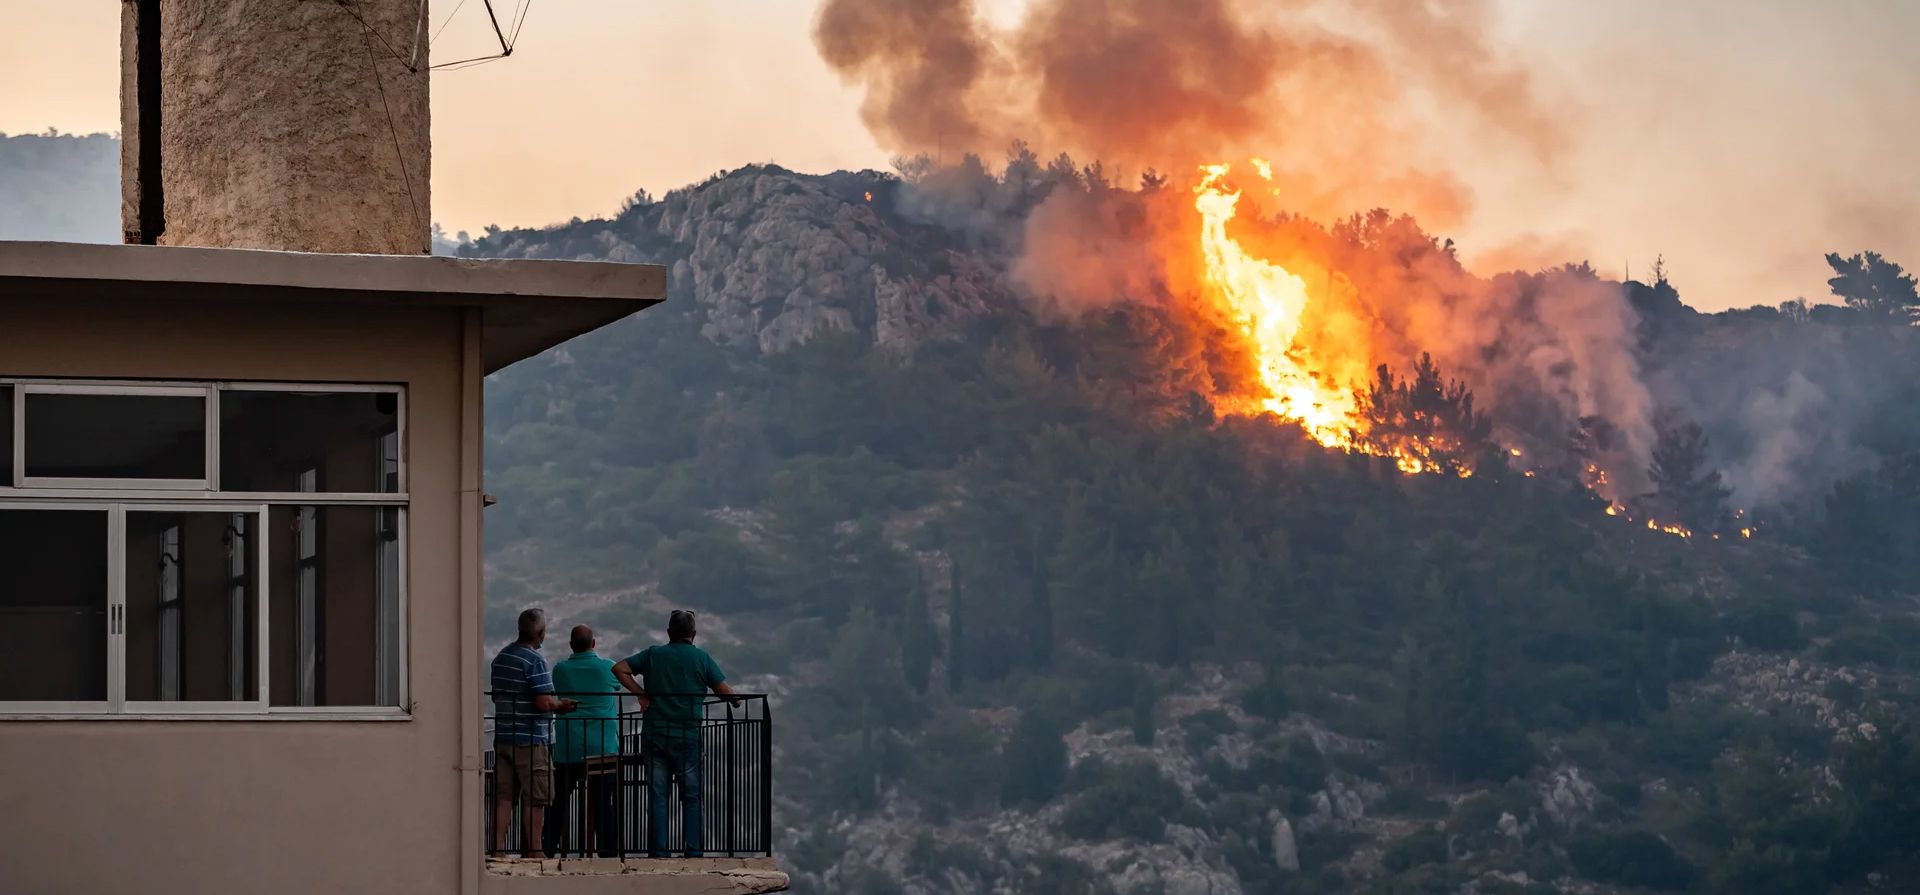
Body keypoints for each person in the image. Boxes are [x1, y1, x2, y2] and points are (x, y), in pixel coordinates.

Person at [612, 609, 737, 858]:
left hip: (655, 733)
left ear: (669, 632)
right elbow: (724, 690)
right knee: (691, 797)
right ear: (694, 634)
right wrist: (735, 701)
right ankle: (694, 851)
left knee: (658, 796)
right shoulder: (701, 658)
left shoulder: (653, 655)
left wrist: (641, 694)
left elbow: (619, 668)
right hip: (687, 736)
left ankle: (659, 852)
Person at [490, 608, 576, 858]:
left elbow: (497, 696)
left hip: (504, 736)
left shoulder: (501, 657)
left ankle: (498, 849)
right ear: (540, 633)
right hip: (531, 739)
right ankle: (535, 851)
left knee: (504, 796)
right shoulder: (535, 660)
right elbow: (543, 702)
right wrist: (561, 705)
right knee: (535, 797)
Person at [544, 625, 621, 857]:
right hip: (603, 747)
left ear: (571, 645)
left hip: (569, 746)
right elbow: (616, 685)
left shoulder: (561, 670)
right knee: (602, 801)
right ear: (594, 644)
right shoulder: (607, 667)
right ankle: (607, 851)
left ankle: (548, 847)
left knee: (558, 800)